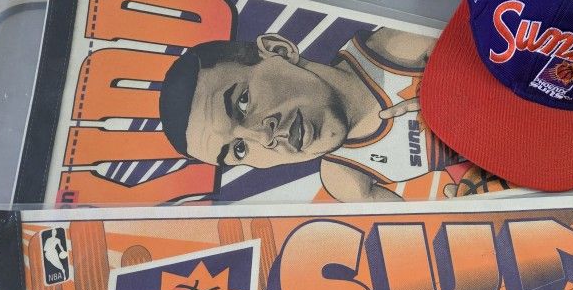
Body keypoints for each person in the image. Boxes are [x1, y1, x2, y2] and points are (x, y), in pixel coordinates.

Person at [159, 28, 465, 202]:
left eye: (242, 102)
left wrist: (462, 95)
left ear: (278, 51)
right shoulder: (343, 178)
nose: (264, 137)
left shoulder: (395, 49)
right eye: (239, 149)